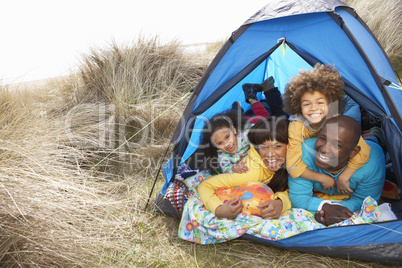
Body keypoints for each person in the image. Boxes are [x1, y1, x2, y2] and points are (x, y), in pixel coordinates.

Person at [283, 64, 371, 194]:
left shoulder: (334, 119)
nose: (313, 108)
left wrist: (344, 177)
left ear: (330, 102)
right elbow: (293, 165)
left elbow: (364, 151)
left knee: (354, 118)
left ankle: (372, 131)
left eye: (320, 102)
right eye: (306, 104)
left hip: (341, 124)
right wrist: (322, 178)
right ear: (298, 105)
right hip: (320, 157)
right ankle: (373, 133)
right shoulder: (296, 126)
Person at [288, 115, 385, 226]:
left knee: (372, 142)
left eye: (336, 145)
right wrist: (325, 208)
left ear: (353, 152)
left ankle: (376, 135)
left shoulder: (373, 162)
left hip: (369, 146)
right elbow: (298, 197)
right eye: (322, 138)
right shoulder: (303, 152)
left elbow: (364, 201)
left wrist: (333, 212)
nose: (324, 149)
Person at [197, 117, 291, 219]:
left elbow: (290, 189)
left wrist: (280, 202)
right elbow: (204, 186)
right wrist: (218, 209)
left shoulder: (293, 164)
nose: (270, 154)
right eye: (263, 147)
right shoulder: (249, 172)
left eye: (277, 146)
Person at [201, 76, 285, 174]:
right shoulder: (222, 155)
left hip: (251, 122)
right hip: (239, 123)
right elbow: (226, 170)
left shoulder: (245, 134)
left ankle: (251, 98)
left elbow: (263, 133)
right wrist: (233, 169)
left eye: (227, 137)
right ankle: (237, 111)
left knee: (265, 118)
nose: (227, 144)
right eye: (220, 143)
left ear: (234, 130)